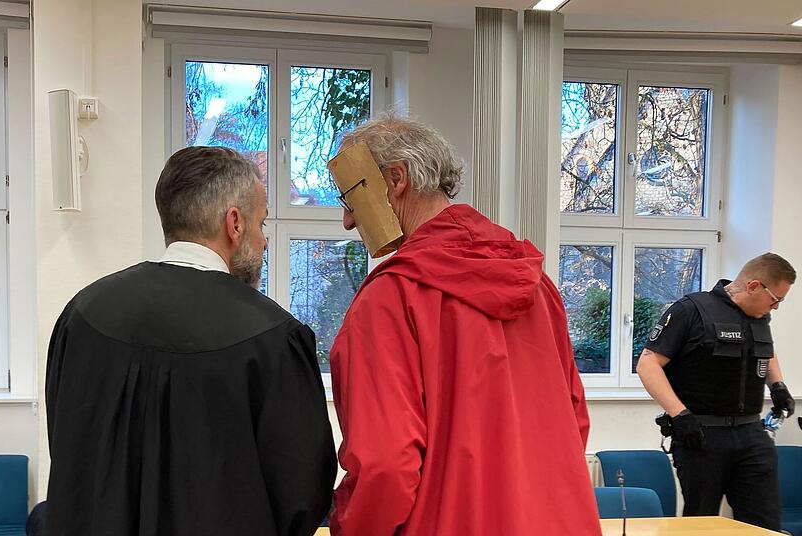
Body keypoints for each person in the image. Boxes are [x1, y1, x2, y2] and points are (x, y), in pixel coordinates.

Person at [327, 117, 601, 535]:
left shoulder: (390, 298)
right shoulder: (537, 286)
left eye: (349, 197)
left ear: (396, 179)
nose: (348, 220)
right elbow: (573, 422)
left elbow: (385, 463)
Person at [45, 146, 336, 536]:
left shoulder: (83, 315)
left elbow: (67, 446)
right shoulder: (273, 339)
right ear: (234, 223)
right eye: (262, 223)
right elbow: (301, 495)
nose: (264, 241)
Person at [638, 253, 796, 531]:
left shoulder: (760, 316)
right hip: (702, 436)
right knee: (703, 524)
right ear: (753, 286)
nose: (775, 307)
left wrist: (778, 386)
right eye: (775, 300)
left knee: (765, 524)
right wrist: (680, 415)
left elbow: (765, 351)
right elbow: (648, 364)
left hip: (751, 434)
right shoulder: (691, 310)